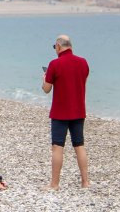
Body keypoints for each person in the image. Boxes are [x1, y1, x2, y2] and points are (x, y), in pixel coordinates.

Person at [42, 34, 90, 189]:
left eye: (54, 47)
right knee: (79, 145)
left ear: (58, 46)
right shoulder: (83, 63)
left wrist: (44, 78)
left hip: (60, 112)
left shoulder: (54, 64)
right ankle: (85, 182)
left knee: (57, 147)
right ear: (71, 46)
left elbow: (46, 89)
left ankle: (54, 184)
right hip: (78, 111)